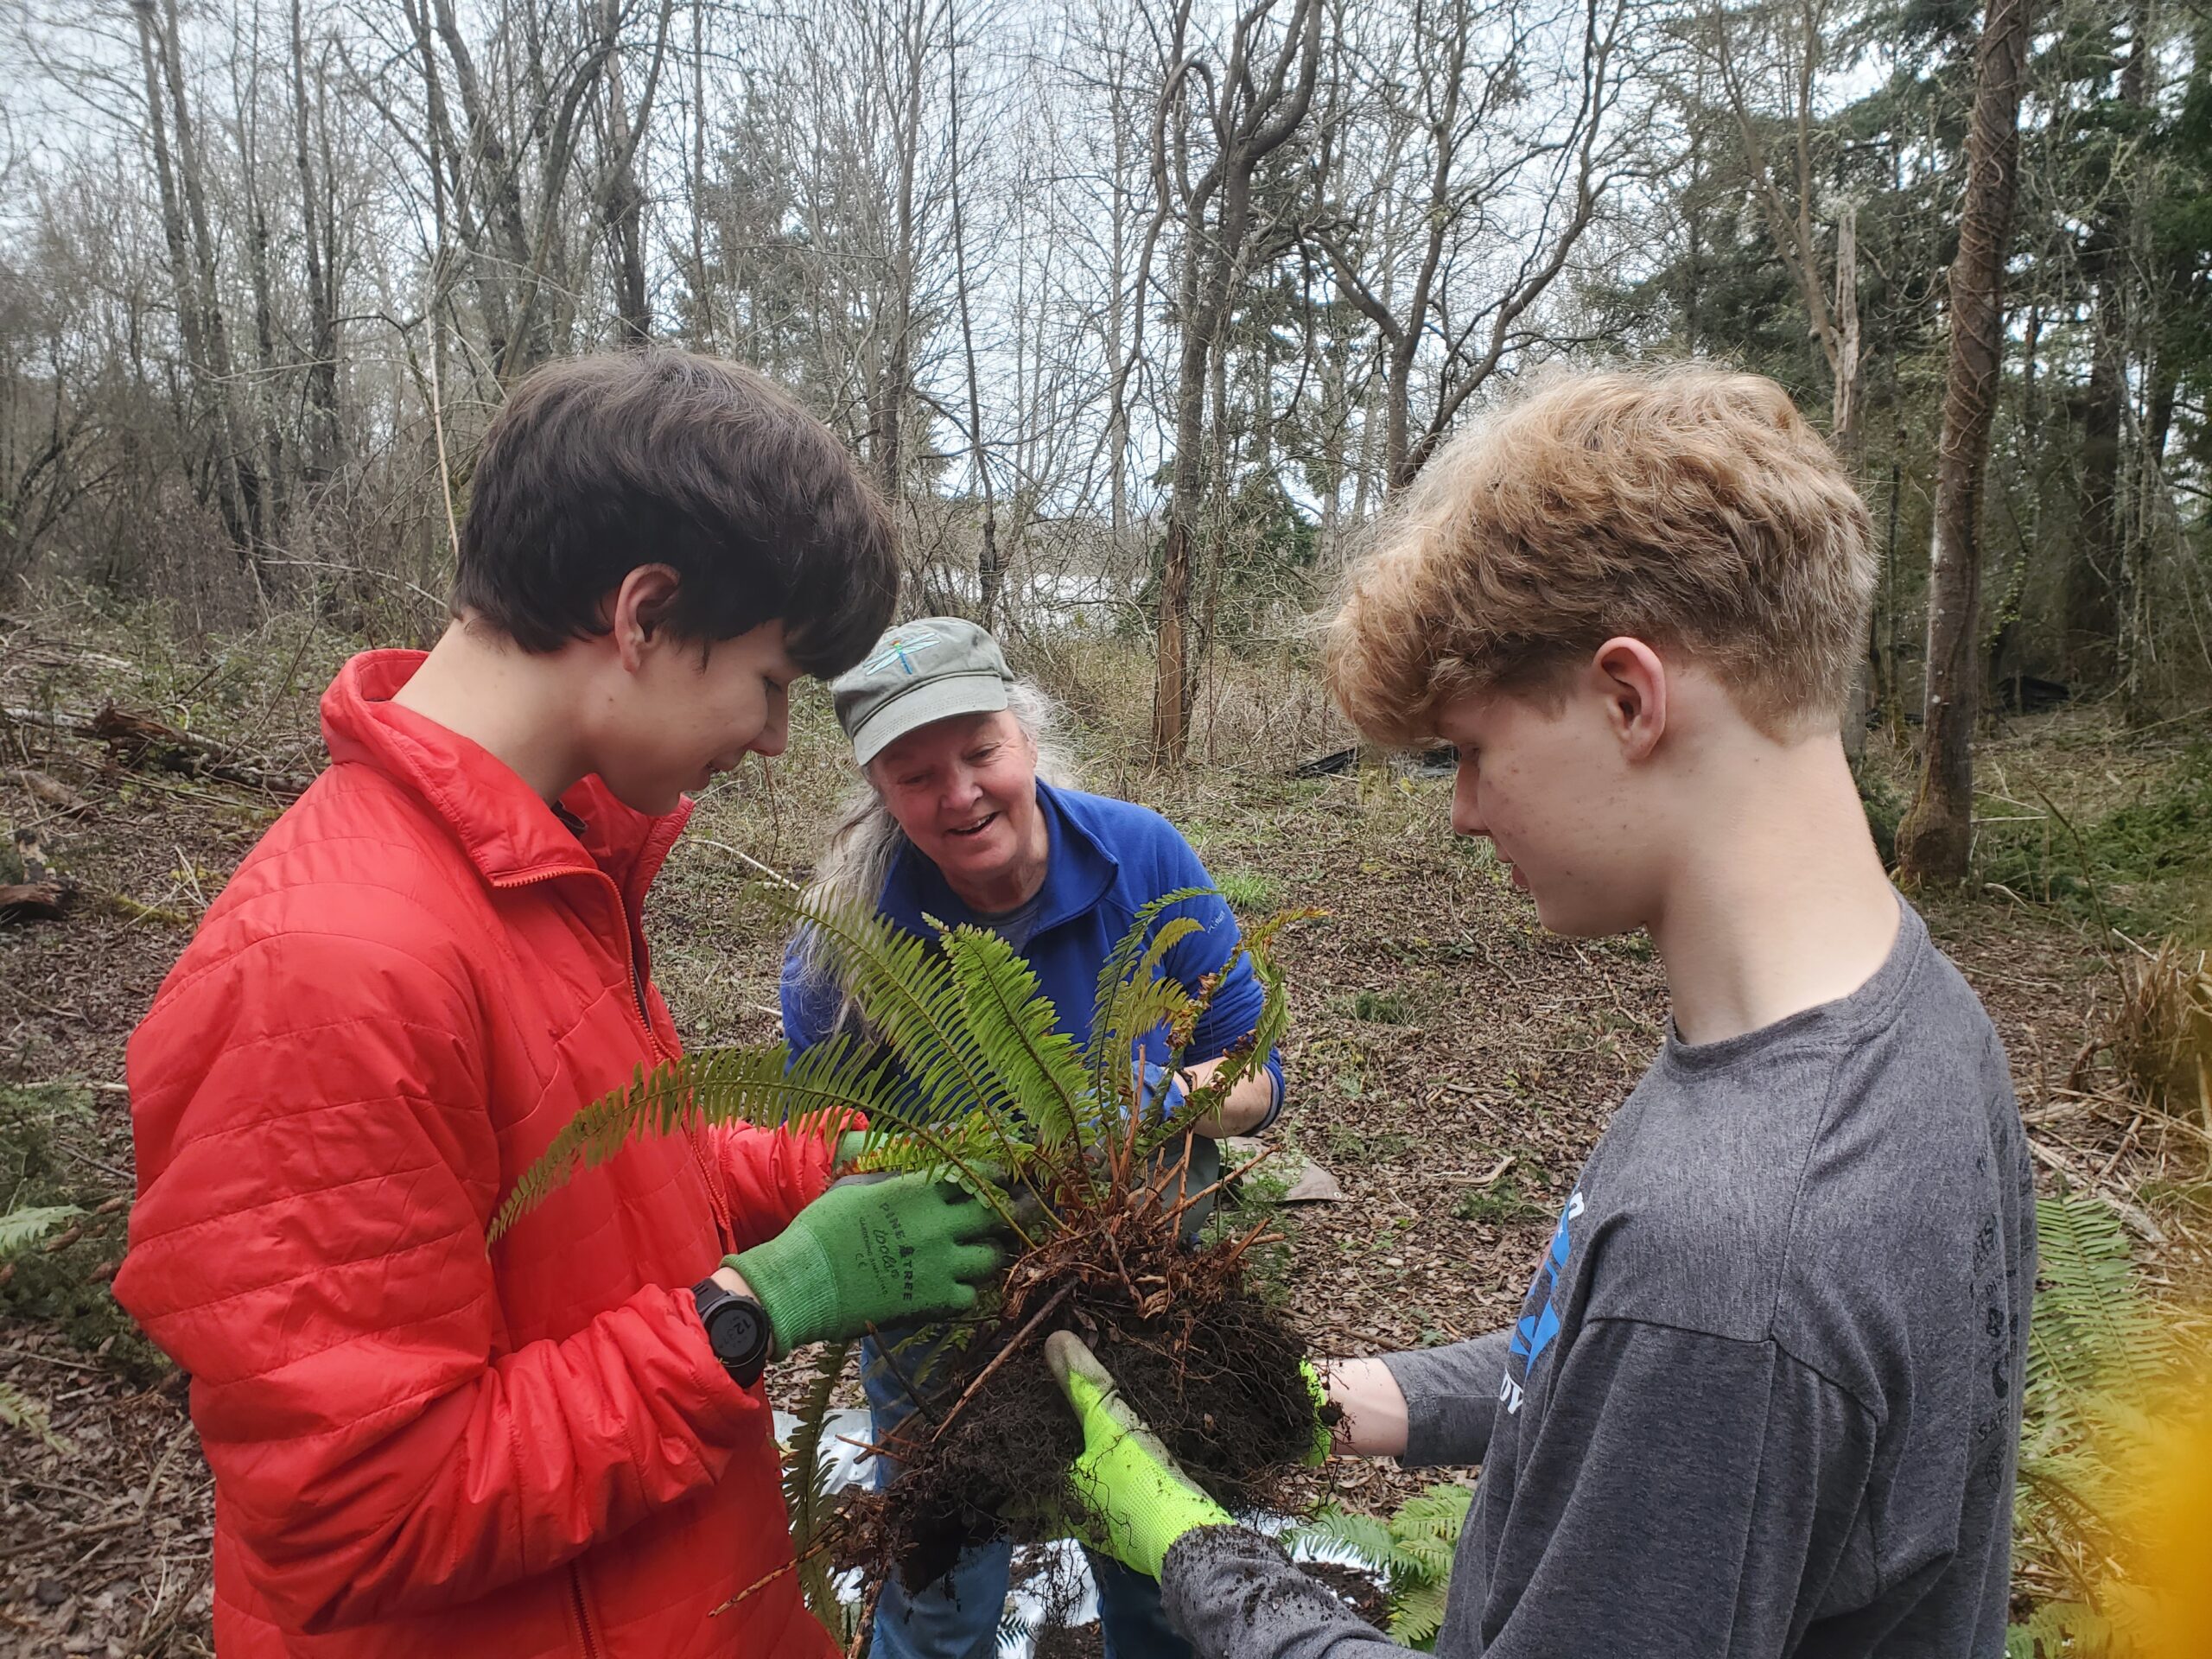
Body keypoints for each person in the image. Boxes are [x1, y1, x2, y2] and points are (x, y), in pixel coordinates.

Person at [1042, 367, 2037, 1657]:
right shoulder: (1917, 1020)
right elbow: (1599, 1381)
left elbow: (1683, 1346)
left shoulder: (1731, 1257)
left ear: (1630, 698)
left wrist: (1193, 1549)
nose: (1463, 810)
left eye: (1470, 750)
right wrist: (1341, 1401)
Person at [111, 351, 1005, 1659]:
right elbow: (359, 1512)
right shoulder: (322, 966)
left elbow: (588, 1181)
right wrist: (760, 1304)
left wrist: (827, 1163)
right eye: (770, 682)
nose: (769, 739)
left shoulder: (539, 869)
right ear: (642, 614)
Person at [779, 616, 1287, 1659]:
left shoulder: (1141, 857)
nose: (958, 793)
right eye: (915, 774)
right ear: (878, 788)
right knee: (932, 1592)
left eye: (979, 753)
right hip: (948, 1317)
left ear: (1028, 736)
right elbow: (826, 1147)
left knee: (1158, 1575)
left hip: (1138, 1286)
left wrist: (1142, 1102)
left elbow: (1257, 1072)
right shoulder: (845, 939)